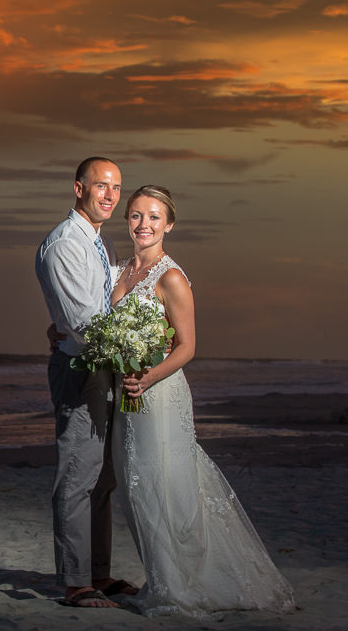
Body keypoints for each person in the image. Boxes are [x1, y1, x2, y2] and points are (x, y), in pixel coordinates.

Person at [114, 185, 295, 618]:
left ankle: (180, 586)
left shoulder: (171, 277)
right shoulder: (118, 271)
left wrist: (148, 378)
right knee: (136, 485)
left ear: (169, 224)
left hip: (158, 393)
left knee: (167, 485)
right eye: (136, 216)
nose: (144, 225)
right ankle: (163, 578)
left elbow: (187, 346)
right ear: (127, 221)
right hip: (126, 395)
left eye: (154, 217)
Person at [34, 157, 138, 608]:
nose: (111, 195)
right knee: (78, 475)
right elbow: (84, 322)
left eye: (116, 187)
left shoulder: (102, 242)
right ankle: (76, 583)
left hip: (105, 368)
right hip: (81, 369)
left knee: (103, 477)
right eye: (101, 186)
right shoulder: (64, 245)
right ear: (79, 188)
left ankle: (99, 572)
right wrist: (138, 348)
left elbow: (104, 305)